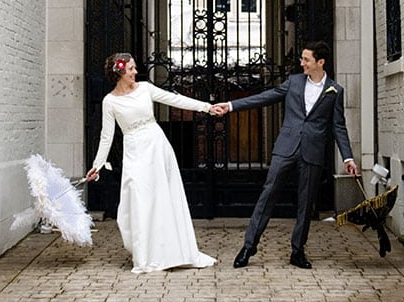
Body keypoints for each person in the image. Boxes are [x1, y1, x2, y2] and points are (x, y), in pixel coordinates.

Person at [211, 41, 359, 269]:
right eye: (302, 59)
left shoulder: (335, 91)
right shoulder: (294, 82)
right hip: (286, 147)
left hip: (312, 151)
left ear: (320, 62)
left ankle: (297, 251)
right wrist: (231, 106)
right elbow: (265, 97)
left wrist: (348, 158)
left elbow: (338, 126)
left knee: (305, 203)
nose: (302, 63)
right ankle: (249, 246)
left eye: (306, 60)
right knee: (268, 194)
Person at [85, 53, 218, 273]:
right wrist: (97, 165)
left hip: (156, 146)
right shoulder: (110, 101)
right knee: (139, 199)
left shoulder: (145, 89)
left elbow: (174, 99)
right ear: (120, 72)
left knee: (163, 197)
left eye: (134, 68)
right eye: (131, 69)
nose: (135, 72)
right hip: (134, 151)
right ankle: (146, 254)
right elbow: (106, 136)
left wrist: (206, 107)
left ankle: (171, 250)